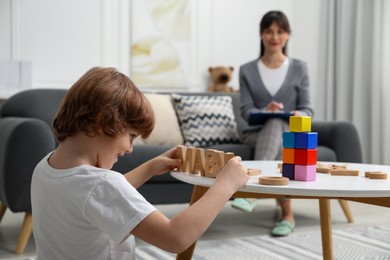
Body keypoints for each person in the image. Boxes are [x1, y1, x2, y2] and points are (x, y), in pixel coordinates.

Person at [31, 67, 249, 259]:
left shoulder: (45, 168)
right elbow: (174, 237)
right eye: (132, 136)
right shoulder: (101, 185)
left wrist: (150, 167)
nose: (130, 148)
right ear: (103, 121)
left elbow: (101, 198)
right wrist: (226, 185)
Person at [231, 10, 314, 237]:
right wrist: (265, 111)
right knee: (277, 130)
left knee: (280, 129)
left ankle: (252, 192)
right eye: (269, 31)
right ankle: (287, 216)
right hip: (254, 132)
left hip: (288, 131)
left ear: (287, 35)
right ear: (261, 34)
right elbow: (246, 112)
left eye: (280, 31)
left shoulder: (300, 68)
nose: (274, 36)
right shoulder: (247, 70)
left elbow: (308, 110)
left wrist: (296, 113)